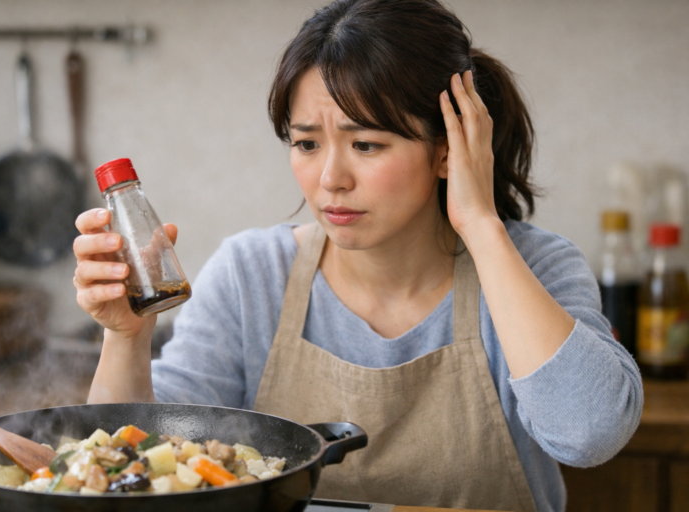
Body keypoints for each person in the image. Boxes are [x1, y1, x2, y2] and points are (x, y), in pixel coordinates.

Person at [72, 1, 643, 510]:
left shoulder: (536, 267)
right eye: (306, 143)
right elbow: (135, 468)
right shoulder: (253, 274)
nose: (329, 179)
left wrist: (480, 222)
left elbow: (591, 435)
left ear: (448, 148)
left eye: (366, 144)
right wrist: (126, 337)